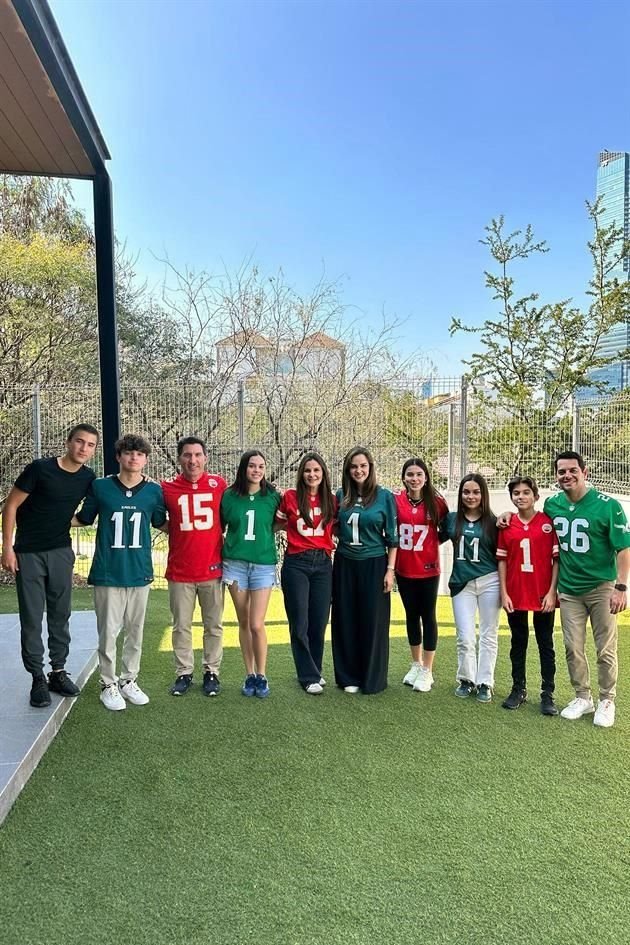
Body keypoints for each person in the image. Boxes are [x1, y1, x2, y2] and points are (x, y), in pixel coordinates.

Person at [1, 424, 99, 707]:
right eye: (79, 441)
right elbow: (11, 506)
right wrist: (7, 547)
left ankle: (57, 671)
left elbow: (85, 515)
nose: (84, 448)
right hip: (28, 554)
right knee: (32, 618)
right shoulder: (39, 469)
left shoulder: (88, 478)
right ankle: (36, 678)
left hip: (60, 553)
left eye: (90, 445)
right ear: (68, 442)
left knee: (60, 613)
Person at [73, 435, 166, 710]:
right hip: (108, 571)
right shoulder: (101, 487)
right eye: (128, 453)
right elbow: (84, 518)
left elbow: (162, 523)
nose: (133, 458)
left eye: (139, 454)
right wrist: (46, 517)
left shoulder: (153, 491)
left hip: (139, 571)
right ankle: (108, 683)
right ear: (118, 457)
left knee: (135, 631)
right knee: (108, 632)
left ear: (146, 459)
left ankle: (129, 679)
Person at [544, 451, 630, 728]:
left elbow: (624, 548)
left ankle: (607, 699)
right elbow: (534, 523)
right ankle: (583, 697)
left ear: (585, 472)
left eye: (572, 470)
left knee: (605, 648)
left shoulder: (608, 505)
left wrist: (621, 587)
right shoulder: (552, 504)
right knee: (572, 647)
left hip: (601, 587)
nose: (566, 475)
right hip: (569, 589)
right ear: (556, 476)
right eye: (561, 472)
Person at [162, 437, 227, 697]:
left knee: (214, 625)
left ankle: (211, 672)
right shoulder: (167, 488)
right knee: (181, 626)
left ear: (206, 458)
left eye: (198, 455)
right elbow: (157, 518)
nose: (193, 460)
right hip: (180, 570)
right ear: (179, 459)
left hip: (212, 569)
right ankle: (184, 673)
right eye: (187, 455)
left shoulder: (218, 484)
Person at [331, 446, 398, 695]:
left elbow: (393, 538)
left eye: (363, 466)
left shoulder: (384, 497)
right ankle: (348, 676)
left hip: (374, 563)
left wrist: (390, 570)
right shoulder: (340, 496)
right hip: (346, 563)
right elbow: (334, 527)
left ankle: (372, 678)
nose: (358, 470)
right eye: (354, 466)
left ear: (370, 468)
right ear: (348, 470)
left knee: (373, 621)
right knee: (345, 618)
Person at [496, 475, 559, 716]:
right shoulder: (506, 524)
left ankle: (548, 693)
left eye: (525, 492)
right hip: (516, 592)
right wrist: (504, 593)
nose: (521, 497)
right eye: (516, 493)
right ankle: (518, 689)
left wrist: (552, 592)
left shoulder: (546, 523)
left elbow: (556, 560)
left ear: (535, 496)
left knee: (545, 643)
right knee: (518, 642)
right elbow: (502, 560)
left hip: (543, 593)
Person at [221, 450, 281, 698]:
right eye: (252, 466)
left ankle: (262, 674)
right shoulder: (229, 496)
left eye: (261, 466)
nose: (256, 470)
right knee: (244, 621)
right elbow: (221, 525)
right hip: (235, 565)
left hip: (263, 565)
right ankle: (249, 674)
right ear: (244, 468)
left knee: (257, 623)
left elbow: (279, 524)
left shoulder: (273, 497)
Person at [277, 452, 337, 695]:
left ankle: (315, 669)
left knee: (319, 621)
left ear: (323, 474)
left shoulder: (332, 500)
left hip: (323, 564)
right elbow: (278, 523)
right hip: (297, 563)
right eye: (307, 470)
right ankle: (308, 675)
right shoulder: (290, 497)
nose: (312, 475)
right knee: (299, 620)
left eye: (316, 471)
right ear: (301, 474)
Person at [440, 473, 500, 703]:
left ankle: (485, 682)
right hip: (462, 583)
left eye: (476, 492)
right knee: (465, 636)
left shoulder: (494, 523)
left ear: (483, 494)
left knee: (488, 633)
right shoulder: (452, 519)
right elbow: (433, 538)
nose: (471, 496)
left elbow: (503, 557)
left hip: (489, 581)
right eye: (466, 492)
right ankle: (466, 678)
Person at [395, 458, 448, 693]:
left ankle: (428, 670)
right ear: (404, 477)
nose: (414, 478)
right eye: (410, 474)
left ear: (426, 477)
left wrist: (430, 544)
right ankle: (415, 664)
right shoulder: (396, 501)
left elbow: (446, 529)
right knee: (410, 615)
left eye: (419, 474)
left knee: (428, 616)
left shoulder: (437, 503)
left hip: (428, 569)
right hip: (403, 568)